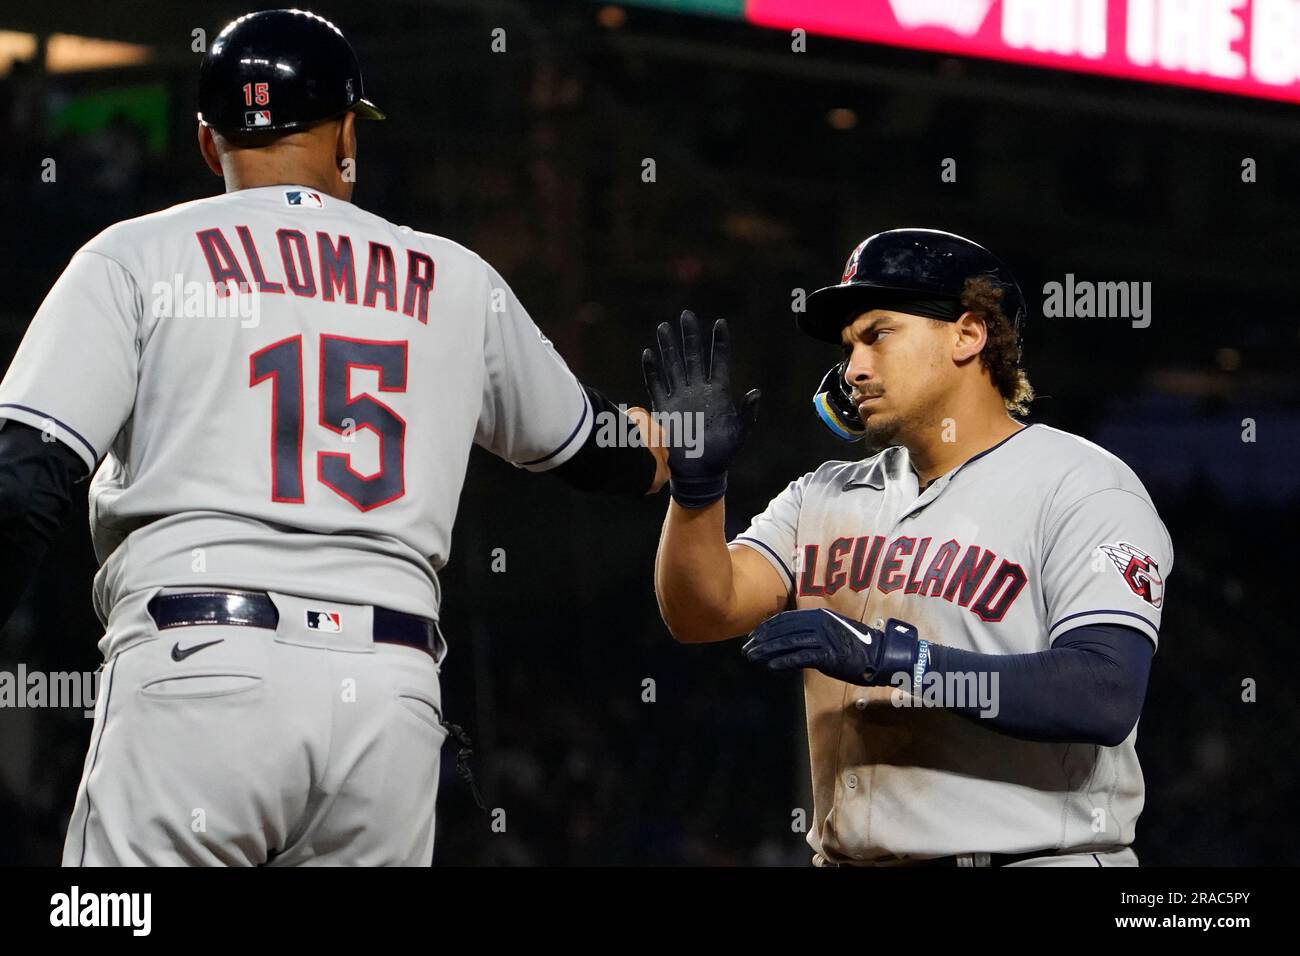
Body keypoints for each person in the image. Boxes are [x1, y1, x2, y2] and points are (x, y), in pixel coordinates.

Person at [0, 8, 667, 866]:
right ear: (348, 131)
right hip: (387, 700)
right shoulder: (455, 280)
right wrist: (675, 447)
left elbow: (20, 486)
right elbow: (596, 452)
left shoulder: (136, 256)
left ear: (211, 146)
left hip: (198, 667)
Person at [645, 228, 1172, 867]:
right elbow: (702, 612)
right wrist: (698, 492)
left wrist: (890, 656)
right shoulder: (825, 493)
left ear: (968, 335)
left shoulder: (1083, 484)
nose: (855, 369)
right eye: (848, 349)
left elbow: (1104, 691)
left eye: (879, 335)